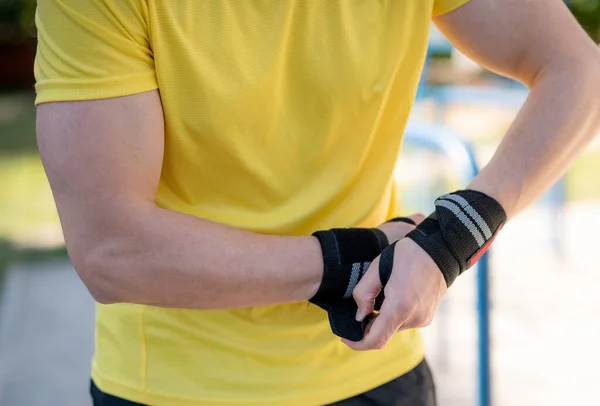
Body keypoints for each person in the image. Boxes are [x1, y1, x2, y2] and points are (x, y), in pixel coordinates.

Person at [34, 0, 599, 405]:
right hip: (179, 389)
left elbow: (580, 71)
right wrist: (361, 257)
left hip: (376, 374)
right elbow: (113, 249)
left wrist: (454, 233)